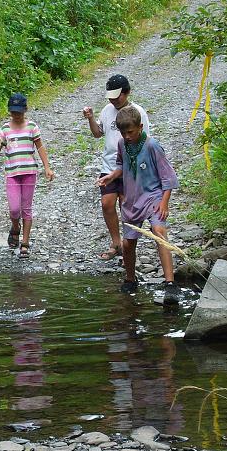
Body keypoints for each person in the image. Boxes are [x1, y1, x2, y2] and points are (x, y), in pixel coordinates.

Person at [97, 106, 179, 304]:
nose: (127, 136)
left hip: (153, 197)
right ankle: (130, 278)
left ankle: (170, 284)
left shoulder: (152, 146)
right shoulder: (122, 145)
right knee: (127, 243)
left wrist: (164, 203)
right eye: (123, 133)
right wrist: (112, 176)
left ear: (140, 127)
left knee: (159, 232)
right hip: (132, 199)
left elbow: (168, 177)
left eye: (130, 132)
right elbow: (121, 165)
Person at [83, 74, 151, 261]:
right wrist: (90, 119)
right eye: (111, 96)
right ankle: (116, 242)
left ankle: (128, 245)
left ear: (126, 92)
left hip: (130, 167)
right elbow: (98, 133)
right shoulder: (107, 110)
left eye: (117, 96)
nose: (113, 100)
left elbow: (146, 140)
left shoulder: (138, 112)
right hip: (109, 165)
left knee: (126, 205)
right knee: (107, 203)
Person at [0, 93, 54, 259]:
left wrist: (47, 168)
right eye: (13, 111)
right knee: (14, 209)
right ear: (9, 111)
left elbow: (40, 148)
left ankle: (25, 243)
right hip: (12, 173)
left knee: (26, 208)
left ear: (25, 110)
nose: (17, 114)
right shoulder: (5, 129)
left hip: (29, 172)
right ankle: (15, 227)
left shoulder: (32, 126)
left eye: (19, 111)